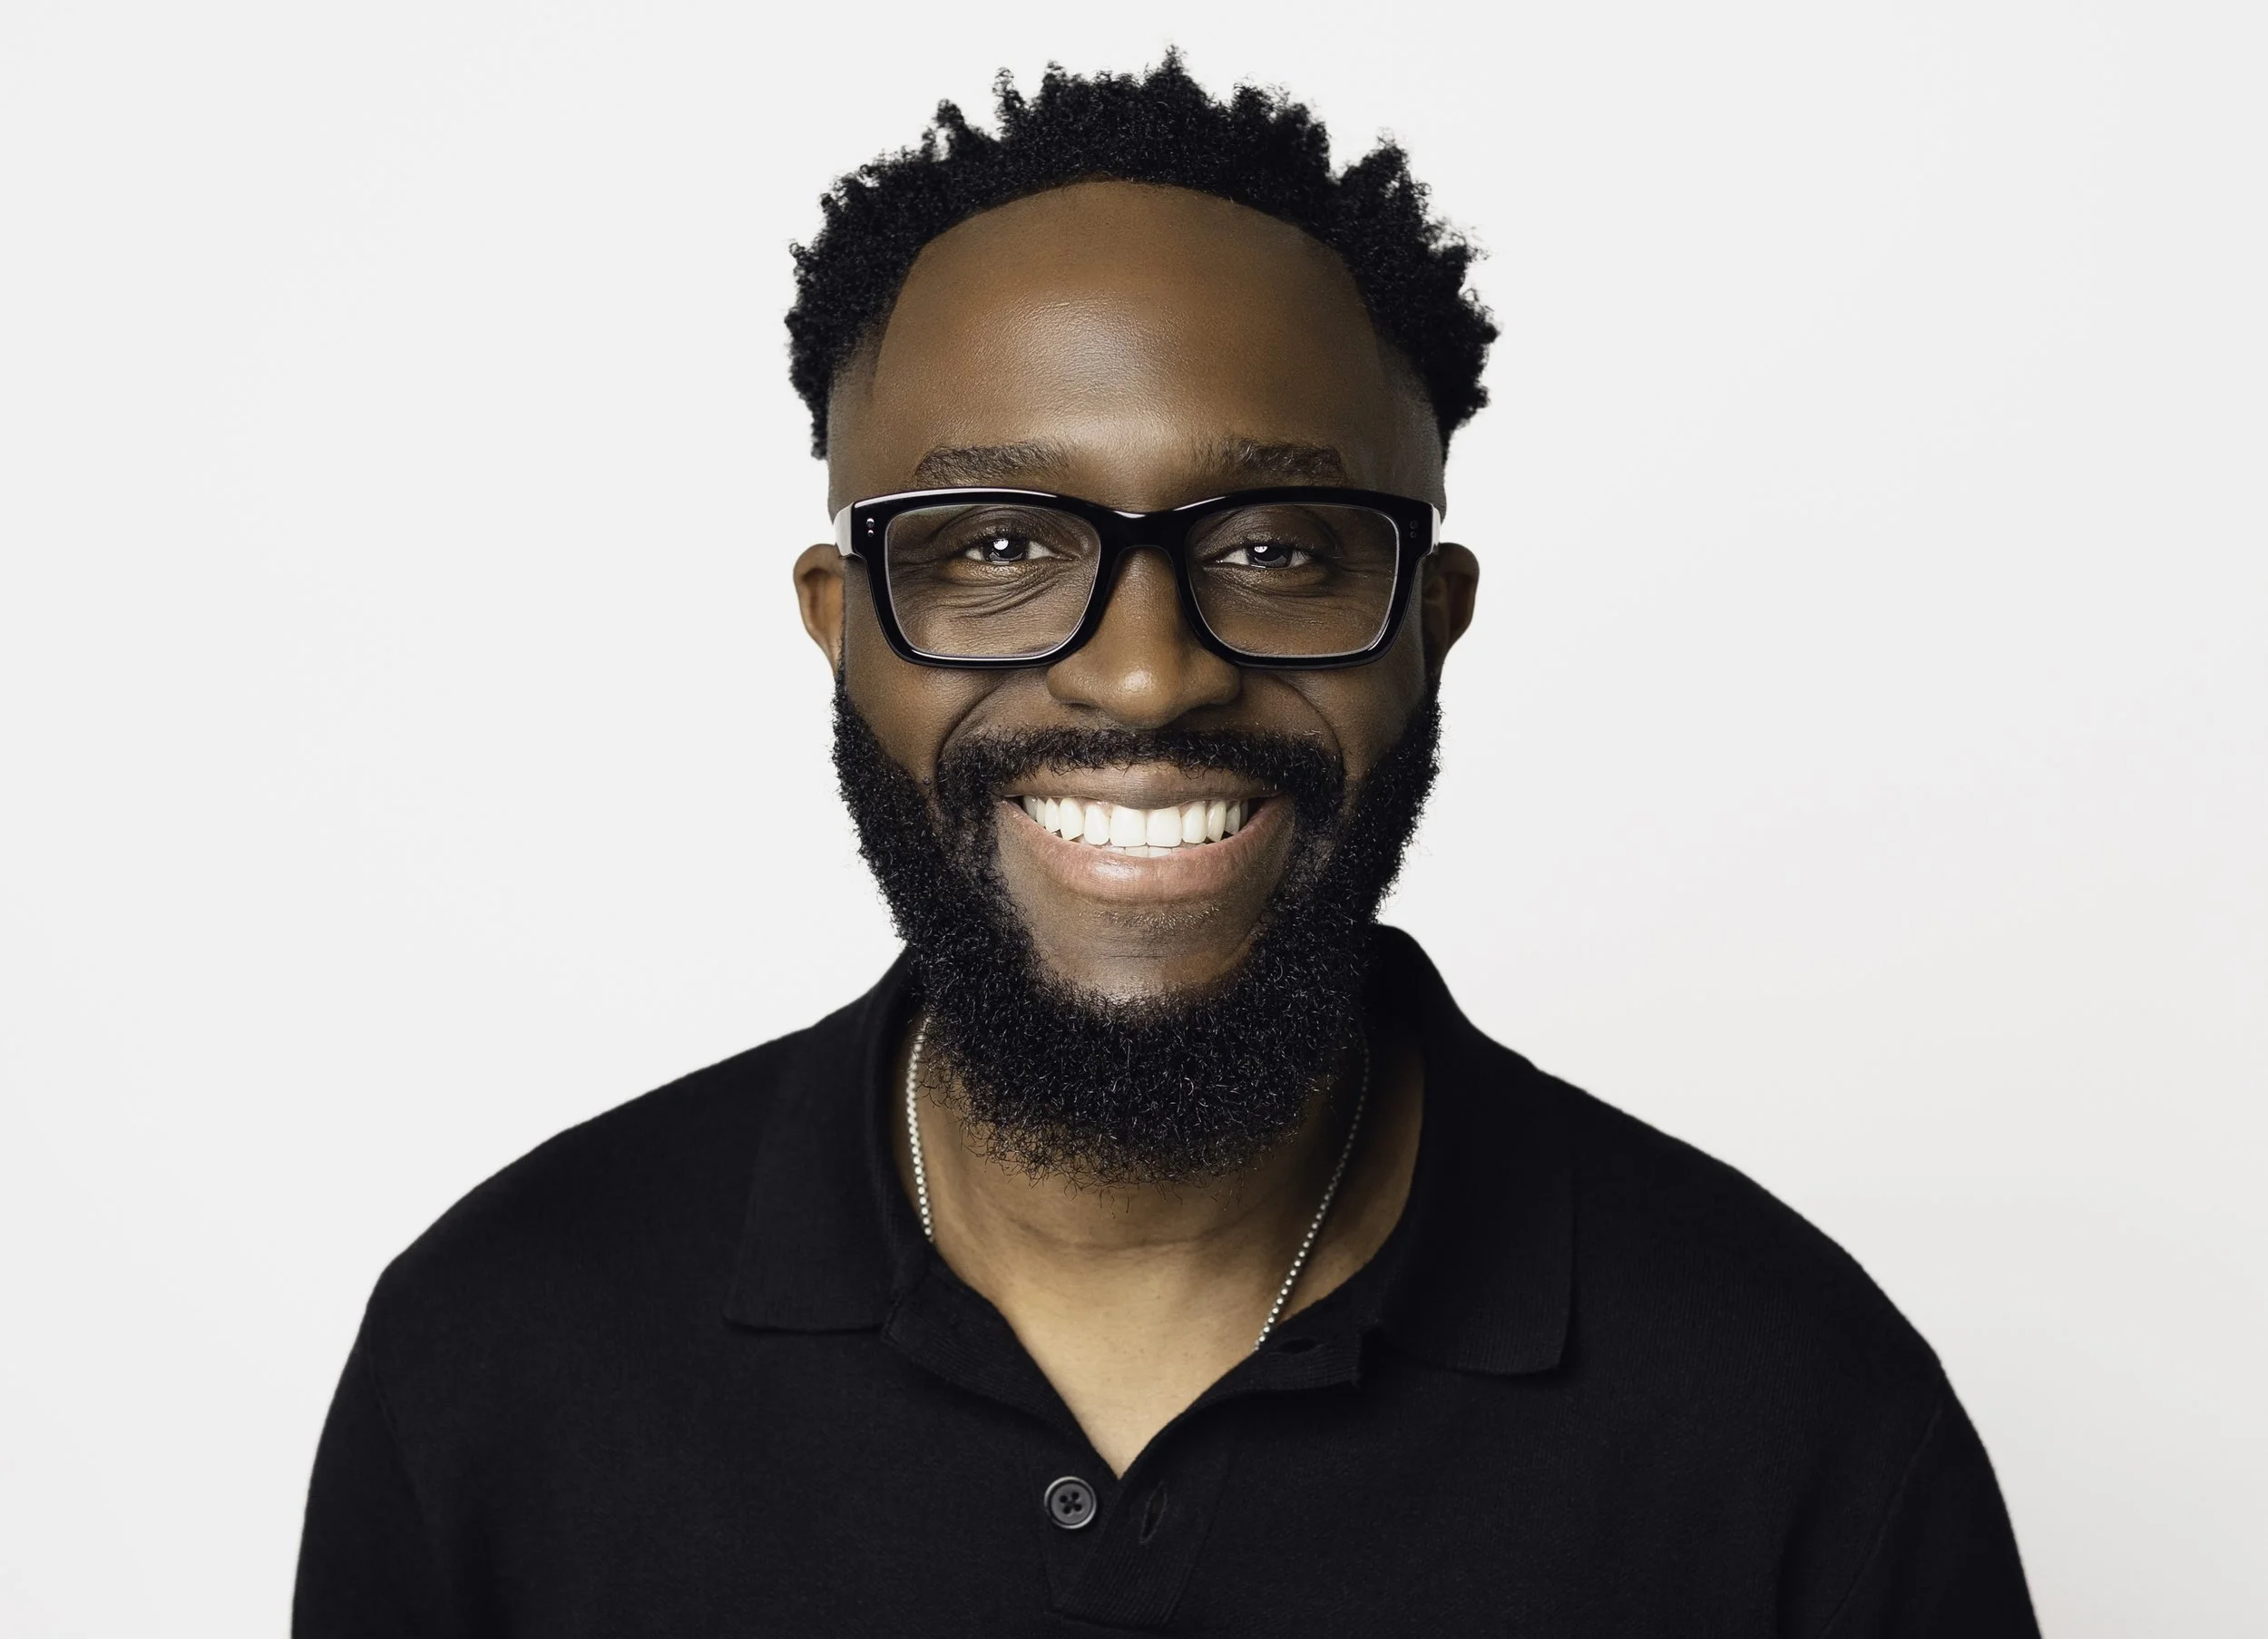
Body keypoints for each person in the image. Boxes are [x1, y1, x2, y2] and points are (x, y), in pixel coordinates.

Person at [295, 56, 2038, 1635]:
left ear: (1430, 621)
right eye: (995, 547)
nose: (1145, 672)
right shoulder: (496, 1363)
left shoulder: (1799, 1416)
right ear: (841, 621)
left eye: (1278, 548)